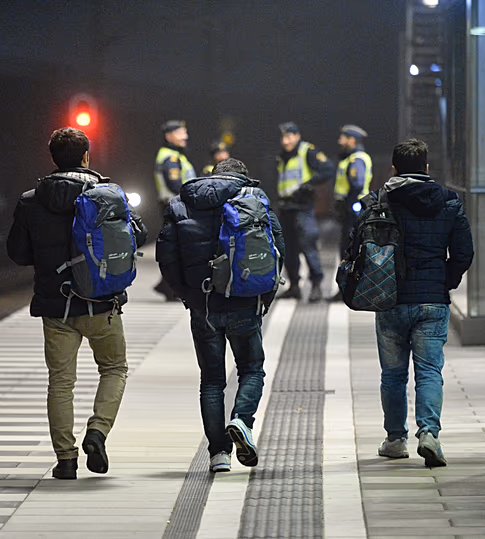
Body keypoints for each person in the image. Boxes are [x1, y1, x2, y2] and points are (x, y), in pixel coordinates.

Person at [8, 127, 148, 480]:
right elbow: (140, 235)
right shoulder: (107, 194)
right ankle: (97, 432)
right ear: (87, 157)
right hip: (102, 303)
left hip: (57, 307)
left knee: (61, 382)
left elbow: (17, 253)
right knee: (114, 369)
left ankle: (66, 460)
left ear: (53, 158)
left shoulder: (30, 200)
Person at [157, 158, 285, 473]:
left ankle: (219, 455)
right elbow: (276, 250)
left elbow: (166, 255)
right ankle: (242, 420)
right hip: (245, 302)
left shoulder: (182, 202)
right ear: (241, 176)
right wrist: (265, 296)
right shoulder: (256, 199)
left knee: (212, 380)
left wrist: (186, 295)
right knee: (252, 370)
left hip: (203, 306)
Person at [371, 138, 473, 467]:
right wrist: (446, 281)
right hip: (432, 298)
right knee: (429, 371)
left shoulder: (381, 200)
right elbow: (464, 252)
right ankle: (429, 433)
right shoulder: (448, 201)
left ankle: (395, 439)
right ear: (427, 168)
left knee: (393, 374)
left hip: (390, 297)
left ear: (394, 168)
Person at [275, 122, 334, 302]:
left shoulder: (307, 151)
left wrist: (310, 184)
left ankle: (316, 286)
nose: (285, 141)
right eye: (283, 137)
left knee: (308, 245)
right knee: (288, 249)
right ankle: (294, 286)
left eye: (289, 137)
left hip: (302, 207)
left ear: (297, 136)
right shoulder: (282, 156)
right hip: (286, 207)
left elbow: (328, 169)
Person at [330, 125, 373, 302]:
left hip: (354, 212)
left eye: (344, 138)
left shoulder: (357, 159)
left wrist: (348, 204)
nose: (340, 141)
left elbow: (357, 184)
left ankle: (349, 290)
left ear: (352, 140)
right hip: (351, 211)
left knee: (350, 251)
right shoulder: (350, 158)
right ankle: (347, 289)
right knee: (349, 250)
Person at [154, 120, 195, 300]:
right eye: (180, 132)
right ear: (169, 136)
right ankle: (170, 287)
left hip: (174, 206)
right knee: (178, 248)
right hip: (175, 205)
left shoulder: (174, 155)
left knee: (175, 248)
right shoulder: (170, 157)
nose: (185, 136)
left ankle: (167, 285)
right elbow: (175, 184)